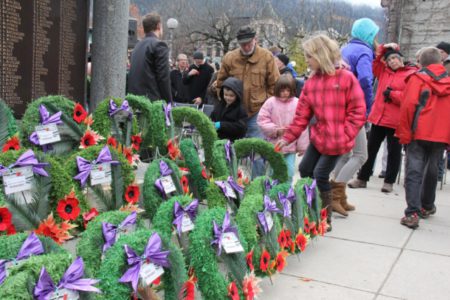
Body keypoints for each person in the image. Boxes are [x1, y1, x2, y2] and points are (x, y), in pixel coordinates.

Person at [275, 35, 366, 231]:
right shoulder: (311, 82)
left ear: (321, 55)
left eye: (309, 56)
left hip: (337, 140)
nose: (306, 60)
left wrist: (345, 134)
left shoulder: (346, 78)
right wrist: (288, 138)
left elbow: (358, 111)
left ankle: (325, 218)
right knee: (306, 170)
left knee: (320, 174)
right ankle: (311, 208)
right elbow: (302, 116)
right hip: (320, 137)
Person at [348, 43, 418, 193]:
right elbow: (375, 62)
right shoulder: (383, 72)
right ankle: (362, 178)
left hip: (396, 120)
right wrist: (384, 48)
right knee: (370, 149)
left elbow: (410, 97)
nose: (392, 61)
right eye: (389, 59)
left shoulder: (411, 74)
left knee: (394, 152)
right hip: (378, 118)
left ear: (401, 59)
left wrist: (392, 95)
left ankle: (389, 182)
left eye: (395, 58)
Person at [396, 47, 450, 228]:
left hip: (418, 131)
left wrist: (404, 134)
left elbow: (408, 107)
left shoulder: (417, 79)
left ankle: (412, 212)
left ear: (421, 63)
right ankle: (427, 205)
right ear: (440, 62)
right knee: (432, 170)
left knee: (414, 171)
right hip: (441, 134)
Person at [330, 18, 379, 216]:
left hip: (340, 106)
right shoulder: (365, 51)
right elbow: (366, 79)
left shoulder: (345, 49)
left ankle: (337, 196)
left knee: (345, 154)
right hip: (353, 109)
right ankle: (334, 196)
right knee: (361, 155)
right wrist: (365, 106)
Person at [216, 26, 280, 139]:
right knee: (232, 149)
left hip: (257, 112)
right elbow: (220, 82)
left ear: (255, 39)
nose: (246, 47)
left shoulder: (266, 57)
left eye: (249, 43)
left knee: (254, 149)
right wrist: (225, 102)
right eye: (242, 44)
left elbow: (275, 85)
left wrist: (266, 107)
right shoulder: (230, 57)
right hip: (233, 113)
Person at [257, 75, 309, 182]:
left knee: (289, 172)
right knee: (273, 171)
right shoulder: (270, 102)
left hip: (291, 146)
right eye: (282, 90)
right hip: (273, 145)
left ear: (292, 90)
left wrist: (302, 147)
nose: (285, 93)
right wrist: (275, 130)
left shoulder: (297, 103)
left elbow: (302, 125)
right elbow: (262, 120)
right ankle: (272, 193)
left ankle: (286, 194)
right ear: (277, 89)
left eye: (288, 90)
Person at [128, 13, 172, 102]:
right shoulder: (159, 45)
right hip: (151, 103)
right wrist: (169, 102)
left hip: (134, 101)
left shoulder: (137, 46)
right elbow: (163, 78)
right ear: (159, 26)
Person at [210, 77, 247, 141]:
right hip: (218, 139)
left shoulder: (240, 109)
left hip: (232, 142)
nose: (228, 98)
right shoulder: (220, 105)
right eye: (226, 95)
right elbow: (212, 116)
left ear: (237, 95)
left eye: (231, 96)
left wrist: (221, 125)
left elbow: (241, 128)